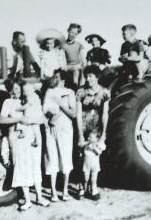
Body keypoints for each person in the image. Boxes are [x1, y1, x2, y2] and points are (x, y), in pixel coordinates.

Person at [0, 82, 50, 211]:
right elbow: (2, 120)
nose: (17, 91)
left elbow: (40, 118)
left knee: (35, 166)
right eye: (14, 88)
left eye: (18, 88)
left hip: (31, 137)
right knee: (21, 168)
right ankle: (27, 200)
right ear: (10, 90)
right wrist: (19, 119)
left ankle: (39, 197)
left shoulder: (27, 100)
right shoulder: (8, 102)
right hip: (18, 138)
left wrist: (33, 121)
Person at [76, 65, 110, 200]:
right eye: (87, 76)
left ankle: (93, 187)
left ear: (97, 77)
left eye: (91, 76)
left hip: (96, 128)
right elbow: (78, 114)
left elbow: (105, 114)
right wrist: (79, 134)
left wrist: (103, 134)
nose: (88, 79)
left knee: (95, 157)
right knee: (81, 157)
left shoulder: (104, 92)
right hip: (83, 127)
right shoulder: (81, 92)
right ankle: (81, 187)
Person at [43, 69, 76, 202]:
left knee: (65, 158)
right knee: (51, 159)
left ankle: (65, 191)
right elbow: (44, 110)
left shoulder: (69, 93)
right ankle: (53, 193)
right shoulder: (49, 92)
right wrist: (49, 116)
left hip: (65, 129)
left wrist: (61, 103)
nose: (54, 79)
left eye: (57, 77)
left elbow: (73, 113)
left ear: (63, 80)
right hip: (51, 129)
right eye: (54, 77)